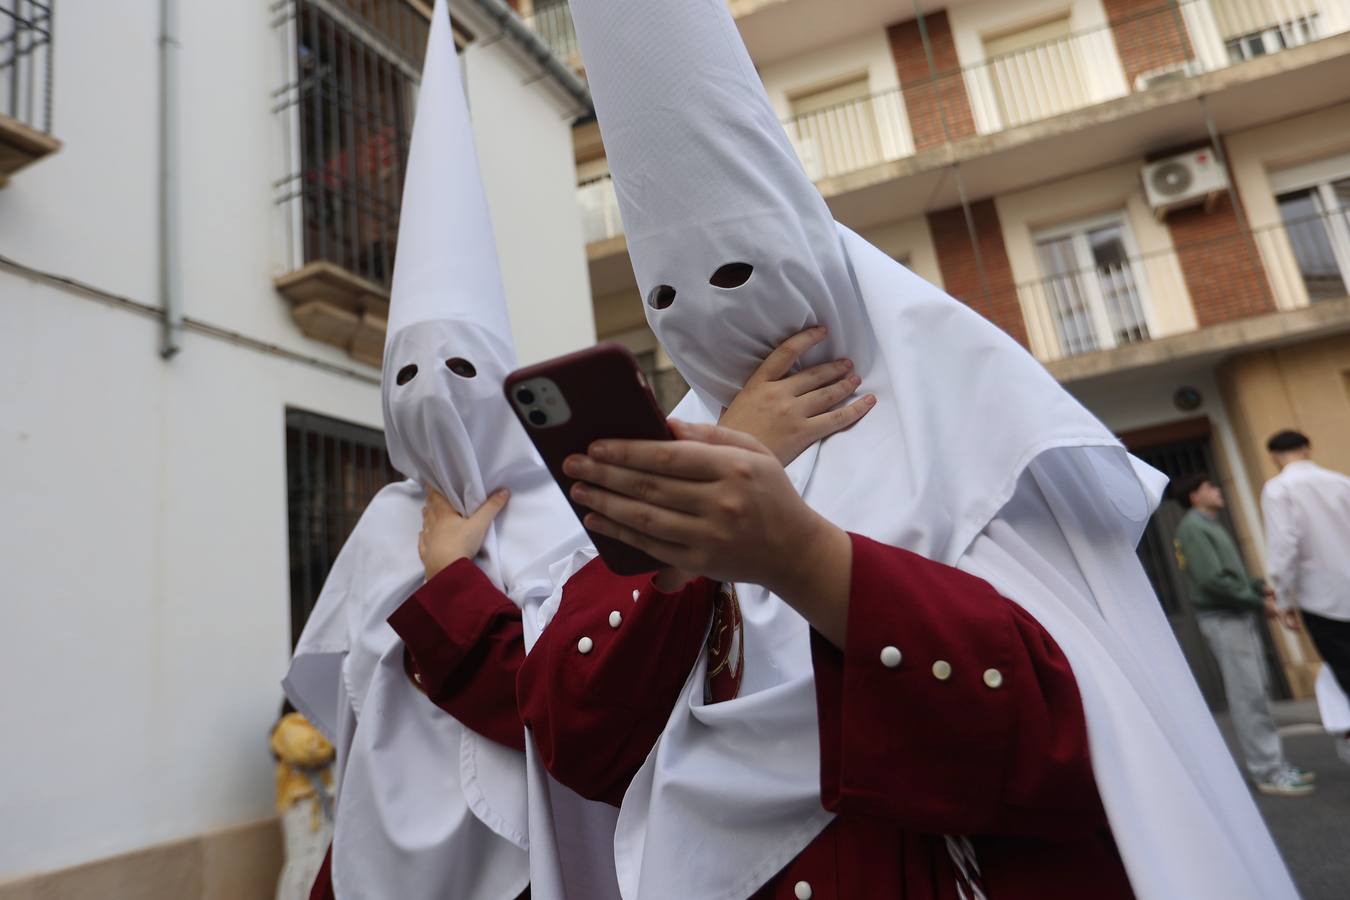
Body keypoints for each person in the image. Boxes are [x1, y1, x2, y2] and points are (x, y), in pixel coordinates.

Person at [517, 1, 1300, 898]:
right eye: (664, 296)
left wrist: (804, 557)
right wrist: (682, 530)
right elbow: (574, 735)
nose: (707, 313)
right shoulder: (685, 448)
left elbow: (1068, 743)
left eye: (735, 273)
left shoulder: (957, 424)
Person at [1171, 472, 1313, 795]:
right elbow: (1213, 582)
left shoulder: (1206, 525)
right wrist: (1256, 600)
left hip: (1234, 615)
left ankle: (1273, 765)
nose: (1218, 491)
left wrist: (1259, 589)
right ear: (1194, 496)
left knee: (1255, 691)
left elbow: (1227, 576)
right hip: (1225, 618)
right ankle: (1267, 771)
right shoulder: (1193, 529)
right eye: (1210, 487)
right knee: (1248, 696)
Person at [1261, 429, 1350, 764]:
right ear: (1308, 448)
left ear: (1274, 456)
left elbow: (1284, 546)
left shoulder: (1278, 489)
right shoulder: (1341, 482)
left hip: (1322, 599)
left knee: (1345, 672)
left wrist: (1283, 599)